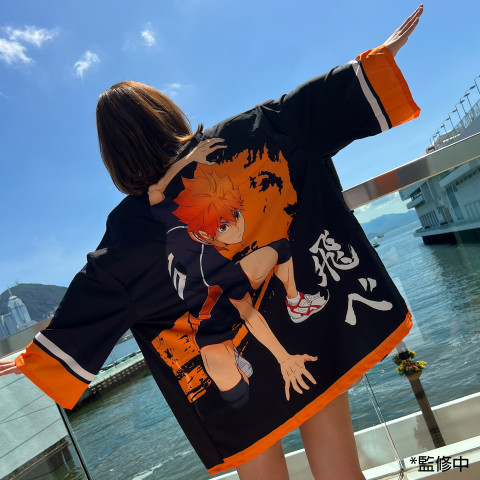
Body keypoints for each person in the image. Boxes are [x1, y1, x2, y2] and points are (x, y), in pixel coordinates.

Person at [1, 5, 423, 480]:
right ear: (166, 115)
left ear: (113, 155)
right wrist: (375, 63)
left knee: (255, 454)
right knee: (339, 468)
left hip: (224, 359)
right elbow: (307, 110)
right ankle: (295, 300)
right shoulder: (247, 135)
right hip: (306, 333)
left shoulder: (128, 230)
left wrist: (35, 358)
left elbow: (98, 292)